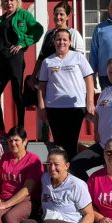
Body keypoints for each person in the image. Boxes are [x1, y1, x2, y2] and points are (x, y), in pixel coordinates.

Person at [37, 28, 95, 160]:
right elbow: (41, 87)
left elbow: (89, 80)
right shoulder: (47, 61)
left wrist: (90, 102)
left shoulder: (78, 57)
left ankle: (72, 172)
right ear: (54, 42)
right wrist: (41, 107)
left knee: (71, 142)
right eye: (58, 39)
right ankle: (60, 172)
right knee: (58, 143)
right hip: (54, 108)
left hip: (75, 107)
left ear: (70, 42)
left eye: (64, 39)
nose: (61, 42)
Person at [0, 0, 44, 130]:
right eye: (6, 1)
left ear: (17, 1)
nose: (9, 3)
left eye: (11, 0)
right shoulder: (0, 20)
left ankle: (20, 128)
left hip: (15, 60)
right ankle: (1, 128)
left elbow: (38, 30)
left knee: (16, 95)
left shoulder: (24, 15)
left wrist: (22, 43)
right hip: (1, 63)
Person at [31, 1, 85, 84]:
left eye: (61, 14)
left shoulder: (74, 34)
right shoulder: (49, 33)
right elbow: (41, 57)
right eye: (56, 14)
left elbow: (80, 60)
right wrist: (33, 76)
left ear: (67, 16)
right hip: (48, 78)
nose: (58, 17)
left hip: (67, 79)